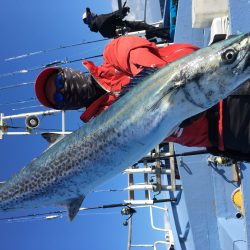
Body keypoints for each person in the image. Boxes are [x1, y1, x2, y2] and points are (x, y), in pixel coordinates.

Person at [35, 35, 250, 162]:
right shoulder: (100, 130)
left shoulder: (112, 55)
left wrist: (159, 82)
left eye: (60, 82)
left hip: (229, 80)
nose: (66, 89)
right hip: (229, 130)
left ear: (67, 72)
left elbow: (129, 51)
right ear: (66, 108)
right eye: (60, 98)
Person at [82, 6, 170, 41]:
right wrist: (123, 11)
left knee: (149, 35)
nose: (92, 13)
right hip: (129, 28)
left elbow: (112, 20)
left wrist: (121, 13)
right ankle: (167, 35)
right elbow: (112, 16)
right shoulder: (98, 19)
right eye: (90, 14)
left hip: (127, 37)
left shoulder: (101, 31)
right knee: (148, 28)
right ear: (90, 17)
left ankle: (165, 37)